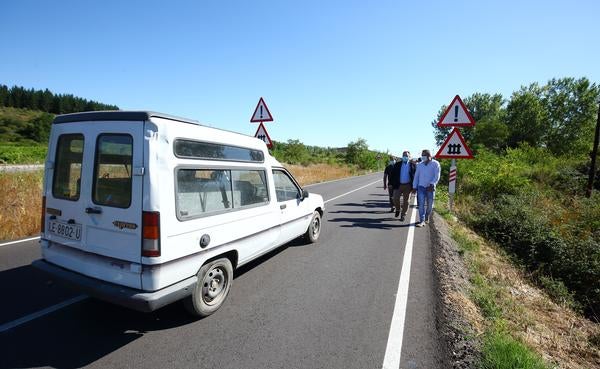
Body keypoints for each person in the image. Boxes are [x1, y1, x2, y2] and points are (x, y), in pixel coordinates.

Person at [412, 149, 440, 227]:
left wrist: (432, 184)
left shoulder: (435, 164)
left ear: (429, 156)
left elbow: (437, 176)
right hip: (421, 187)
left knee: (430, 205)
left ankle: (427, 215)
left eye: (425, 155)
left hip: (430, 188)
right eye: (422, 155)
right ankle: (422, 220)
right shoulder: (420, 165)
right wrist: (414, 187)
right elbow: (416, 177)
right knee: (421, 204)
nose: (423, 157)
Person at [389, 151, 416, 221]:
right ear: (402, 157)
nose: (405, 157)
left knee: (406, 201)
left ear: (409, 157)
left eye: (406, 156)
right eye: (404, 155)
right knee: (395, 198)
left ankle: (403, 214)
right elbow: (392, 175)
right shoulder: (397, 165)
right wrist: (390, 184)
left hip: (408, 185)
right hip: (398, 185)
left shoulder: (413, 165)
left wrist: (414, 187)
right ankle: (398, 209)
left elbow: (415, 177)